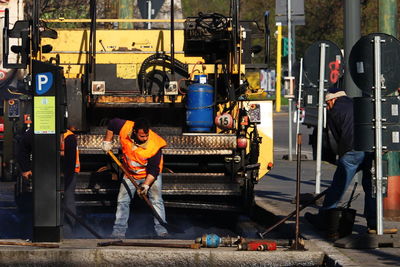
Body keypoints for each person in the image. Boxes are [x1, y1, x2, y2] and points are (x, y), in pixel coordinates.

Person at [305, 88, 376, 238]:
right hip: (369, 149)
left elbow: (335, 138)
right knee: (370, 187)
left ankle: (325, 220)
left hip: (351, 151)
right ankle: (373, 224)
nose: (327, 107)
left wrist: (340, 156)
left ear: (332, 100)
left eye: (327, 104)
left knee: (338, 186)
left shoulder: (335, 111)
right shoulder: (356, 104)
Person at [102, 117, 168, 238]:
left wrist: (146, 185)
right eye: (142, 136)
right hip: (130, 174)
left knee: (156, 201)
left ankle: (161, 230)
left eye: (146, 135)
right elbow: (111, 123)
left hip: (150, 176)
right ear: (134, 132)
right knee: (122, 201)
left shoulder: (155, 145)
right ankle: (118, 231)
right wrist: (107, 141)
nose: (145, 138)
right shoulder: (125, 128)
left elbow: (154, 169)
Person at [60, 126, 80, 234]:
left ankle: (69, 227)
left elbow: (69, 157)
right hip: (56, 170)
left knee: (68, 197)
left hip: (70, 170)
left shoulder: (69, 137)